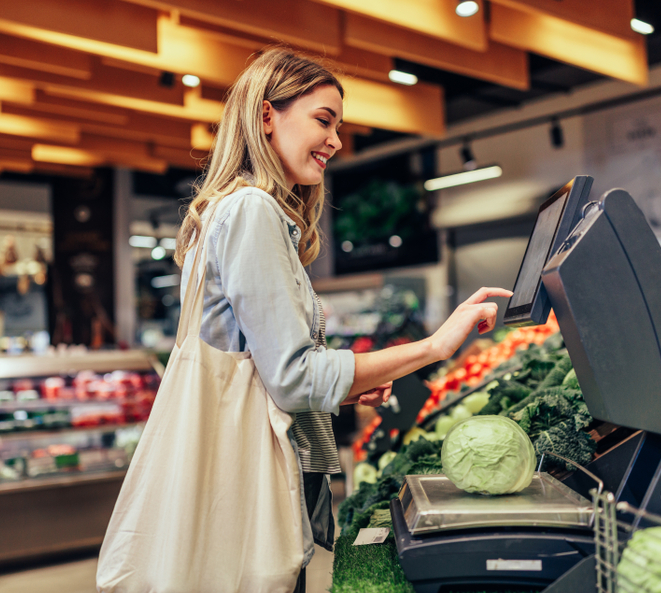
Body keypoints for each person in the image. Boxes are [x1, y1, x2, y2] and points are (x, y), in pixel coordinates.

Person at [172, 47, 511, 592]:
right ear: (266, 115)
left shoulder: (221, 213)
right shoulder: (253, 211)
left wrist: (349, 388)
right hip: (257, 484)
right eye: (323, 121)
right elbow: (294, 376)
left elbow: (262, 371)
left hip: (233, 479)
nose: (335, 141)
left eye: (338, 126)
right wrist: (434, 346)